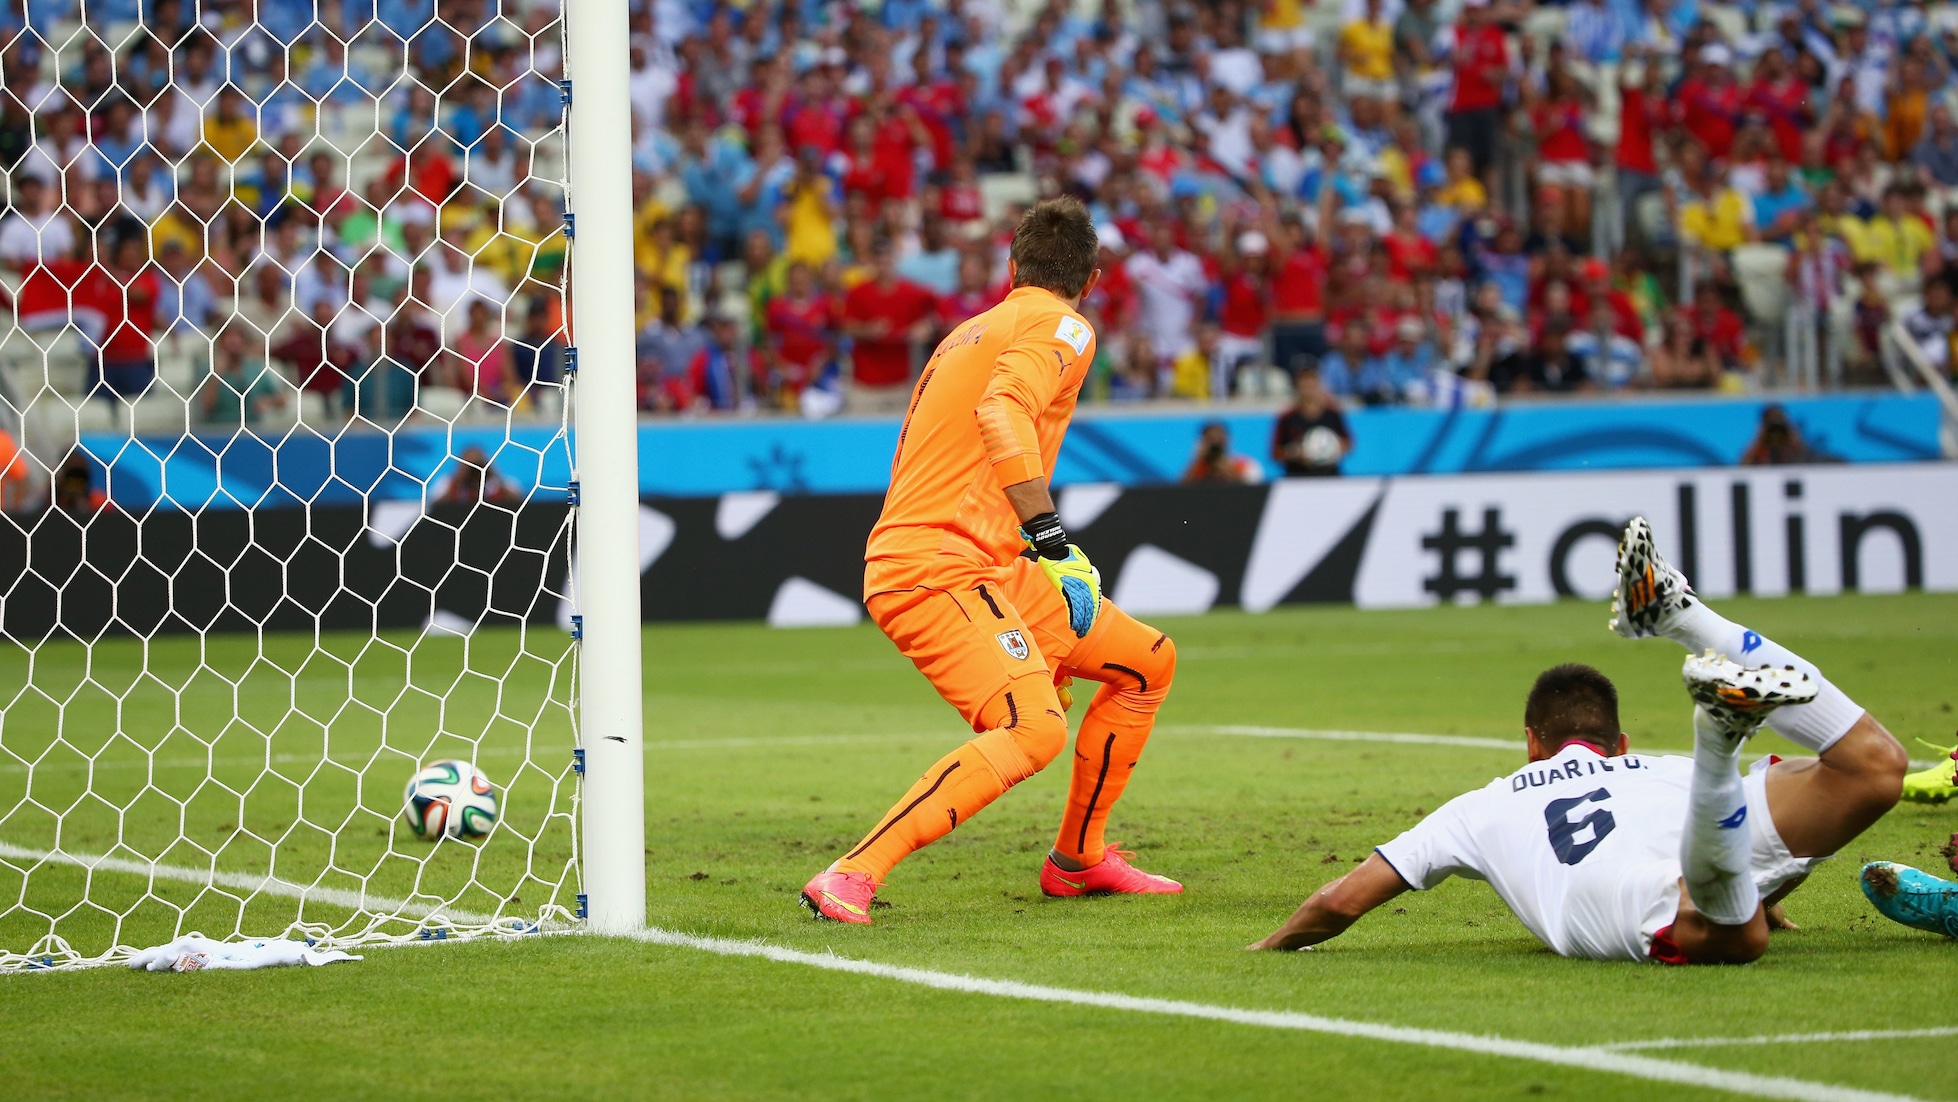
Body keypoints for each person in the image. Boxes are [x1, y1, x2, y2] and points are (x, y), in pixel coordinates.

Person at [1250, 518, 1908, 964]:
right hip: (1696, 834)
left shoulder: (1480, 807)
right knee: (1874, 769)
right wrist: (1766, 884)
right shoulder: (1657, 769)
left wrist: (1268, 948)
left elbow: (1340, 902)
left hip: (1634, 902)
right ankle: (1685, 618)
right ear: (1619, 743)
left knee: (1741, 940)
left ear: (1531, 744)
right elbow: (1776, 823)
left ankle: (1719, 738)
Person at [801, 199, 1183, 925]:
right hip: (939, 567)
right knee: (1034, 729)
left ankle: (1078, 859)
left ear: (1011, 269)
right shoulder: (1065, 326)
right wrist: (1052, 538)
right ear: (1092, 280)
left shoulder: (970, 331)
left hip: (985, 561)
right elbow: (1002, 412)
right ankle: (853, 873)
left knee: (1146, 663)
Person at [1270, 365, 1350, 477]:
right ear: (1296, 388)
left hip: (1329, 475)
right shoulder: (1287, 417)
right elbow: (1275, 453)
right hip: (1298, 476)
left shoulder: (1332, 414)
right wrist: (1295, 453)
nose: (1308, 392)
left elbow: (1348, 443)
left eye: (1311, 386)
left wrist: (1333, 448)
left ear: (1318, 386)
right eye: (1304, 387)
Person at [1180, 421, 1265, 484]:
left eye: (1219, 439)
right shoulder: (1197, 467)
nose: (1215, 443)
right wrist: (1197, 459)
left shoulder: (1245, 465)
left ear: (1228, 440)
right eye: (1210, 439)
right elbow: (1180, 491)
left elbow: (1253, 491)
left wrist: (1228, 470)